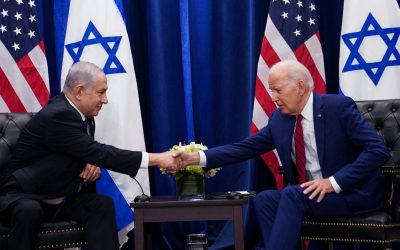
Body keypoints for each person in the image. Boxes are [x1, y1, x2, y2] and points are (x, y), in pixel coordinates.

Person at [180, 60, 390, 250]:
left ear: (300, 86)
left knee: (292, 194)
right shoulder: (279, 120)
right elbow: (243, 148)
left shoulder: (338, 108)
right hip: (310, 196)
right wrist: (195, 158)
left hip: (350, 193)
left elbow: (377, 150)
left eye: (277, 90)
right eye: (271, 91)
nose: (273, 98)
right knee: (264, 199)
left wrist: (333, 182)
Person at [0, 61, 181, 250]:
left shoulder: (82, 115)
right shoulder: (59, 114)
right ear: (79, 92)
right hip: (22, 196)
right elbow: (99, 152)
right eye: (101, 92)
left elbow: (81, 150)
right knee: (29, 210)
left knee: (101, 204)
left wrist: (87, 160)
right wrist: (158, 158)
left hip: (57, 197)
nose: (105, 100)